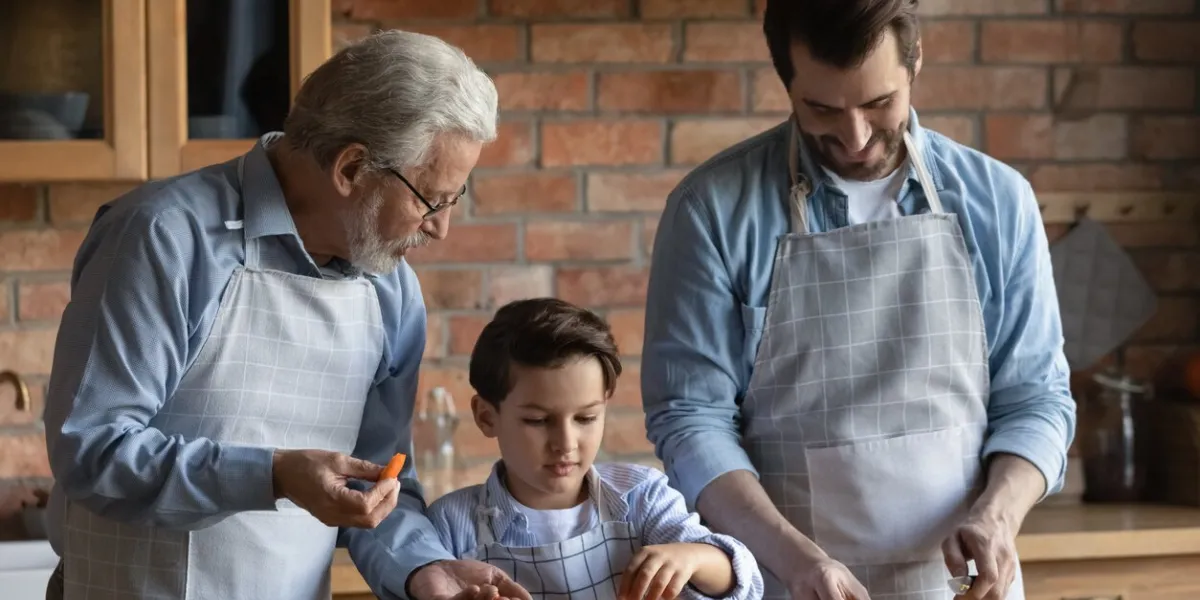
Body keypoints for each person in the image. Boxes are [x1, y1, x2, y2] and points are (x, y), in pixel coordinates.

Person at [41, 30, 530, 600]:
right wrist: (274, 475)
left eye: (455, 197)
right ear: (350, 169)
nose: (440, 226)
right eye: (430, 198)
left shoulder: (392, 293)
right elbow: (92, 448)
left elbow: (380, 485)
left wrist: (424, 569)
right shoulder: (165, 237)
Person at [640, 1, 1077, 599]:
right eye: (822, 108)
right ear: (785, 81)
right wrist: (796, 562)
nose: (855, 136)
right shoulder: (711, 210)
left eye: (878, 103)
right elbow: (690, 420)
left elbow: (1037, 398)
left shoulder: (999, 201)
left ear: (915, 59)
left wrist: (998, 515)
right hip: (785, 582)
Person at [426, 298, 764, 600]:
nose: (565, 443)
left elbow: (743, 583)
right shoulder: (452, 524)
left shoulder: (641, 498)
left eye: (586, 418)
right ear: (487, 417)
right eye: (538, 421)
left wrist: (692, 558)